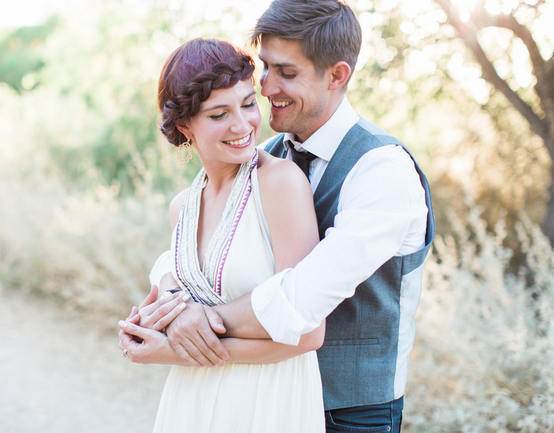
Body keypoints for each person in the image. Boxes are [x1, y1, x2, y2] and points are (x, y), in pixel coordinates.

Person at [124, 1, 436, 432]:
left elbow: (300, 300)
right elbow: (200, 250)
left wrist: (190, 325)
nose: (267, 87)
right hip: (253, 398)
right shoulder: (263, 158)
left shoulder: (382, 171)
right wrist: (176, 300)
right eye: (265, 68)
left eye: (286, 73)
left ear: (337, 75)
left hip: (352, 413)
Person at [118, 38, 326, 432]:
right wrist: (147, 326)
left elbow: (308, 333)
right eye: (218, 115)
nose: (242, 124)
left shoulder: (280, 183)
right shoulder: (182, 207)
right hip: (192, 400)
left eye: (248, 104)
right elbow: (180, 304)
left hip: (269, 401)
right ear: (185, 126)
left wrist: (174, 352)